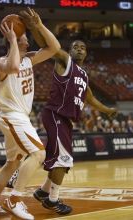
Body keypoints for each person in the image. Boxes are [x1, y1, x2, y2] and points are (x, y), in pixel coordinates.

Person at [19, 11, 118, 215]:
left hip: (66, 120)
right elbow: (47, 46)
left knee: (64, 160)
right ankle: (53, 200)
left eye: (83, 48)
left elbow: (90, 99)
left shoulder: (84, 75)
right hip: (56, 114)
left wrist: (108, 110)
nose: (79, 49)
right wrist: (36, 26)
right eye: (76, 47)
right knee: (63, 159)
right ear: (70, 50)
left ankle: (43, 192)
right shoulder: (64, 61)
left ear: (86, 53)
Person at [0, 8, 60, 220]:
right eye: (25, 39)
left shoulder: (28, 59)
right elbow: (13, 66)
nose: (28, 43)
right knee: (39, 154)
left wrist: (38, 25)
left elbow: (54, 47)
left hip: (19, 117)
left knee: (13, 163)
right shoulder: (1, 63)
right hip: (12, 116)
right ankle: (15, 199)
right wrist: (12, 40)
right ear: (16, 42)